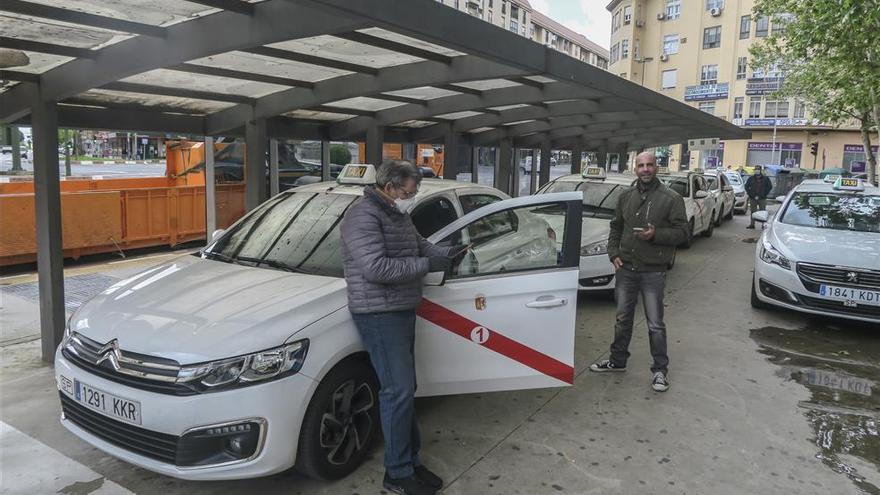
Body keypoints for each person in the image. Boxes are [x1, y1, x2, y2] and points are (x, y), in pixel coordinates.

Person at [340, 160, 458, 495]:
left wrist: (446, 254)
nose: (413, 195)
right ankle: (397, 475)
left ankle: (411, 462)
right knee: (398, 393)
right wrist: (425, 265)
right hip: (379, 314)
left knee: (406, 391)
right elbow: (375, 268)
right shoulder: (362, 217)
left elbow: (420, 246)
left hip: (400, 310)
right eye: (410, 190)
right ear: (390, 186)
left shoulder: (396, 213)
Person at [589, 152, 688, 392]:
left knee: (655, 323)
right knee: (623, 319)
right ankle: (617, 361)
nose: (645, 169)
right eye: (641, 165)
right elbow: (615, 227)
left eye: (649, 165)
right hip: (626, 269)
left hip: (653, 271)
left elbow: (683, 233)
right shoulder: (625, 197)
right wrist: (613, 254)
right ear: (635, 169)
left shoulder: (671, 198)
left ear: (656, 167)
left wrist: (656, 235)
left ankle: (660, 371)